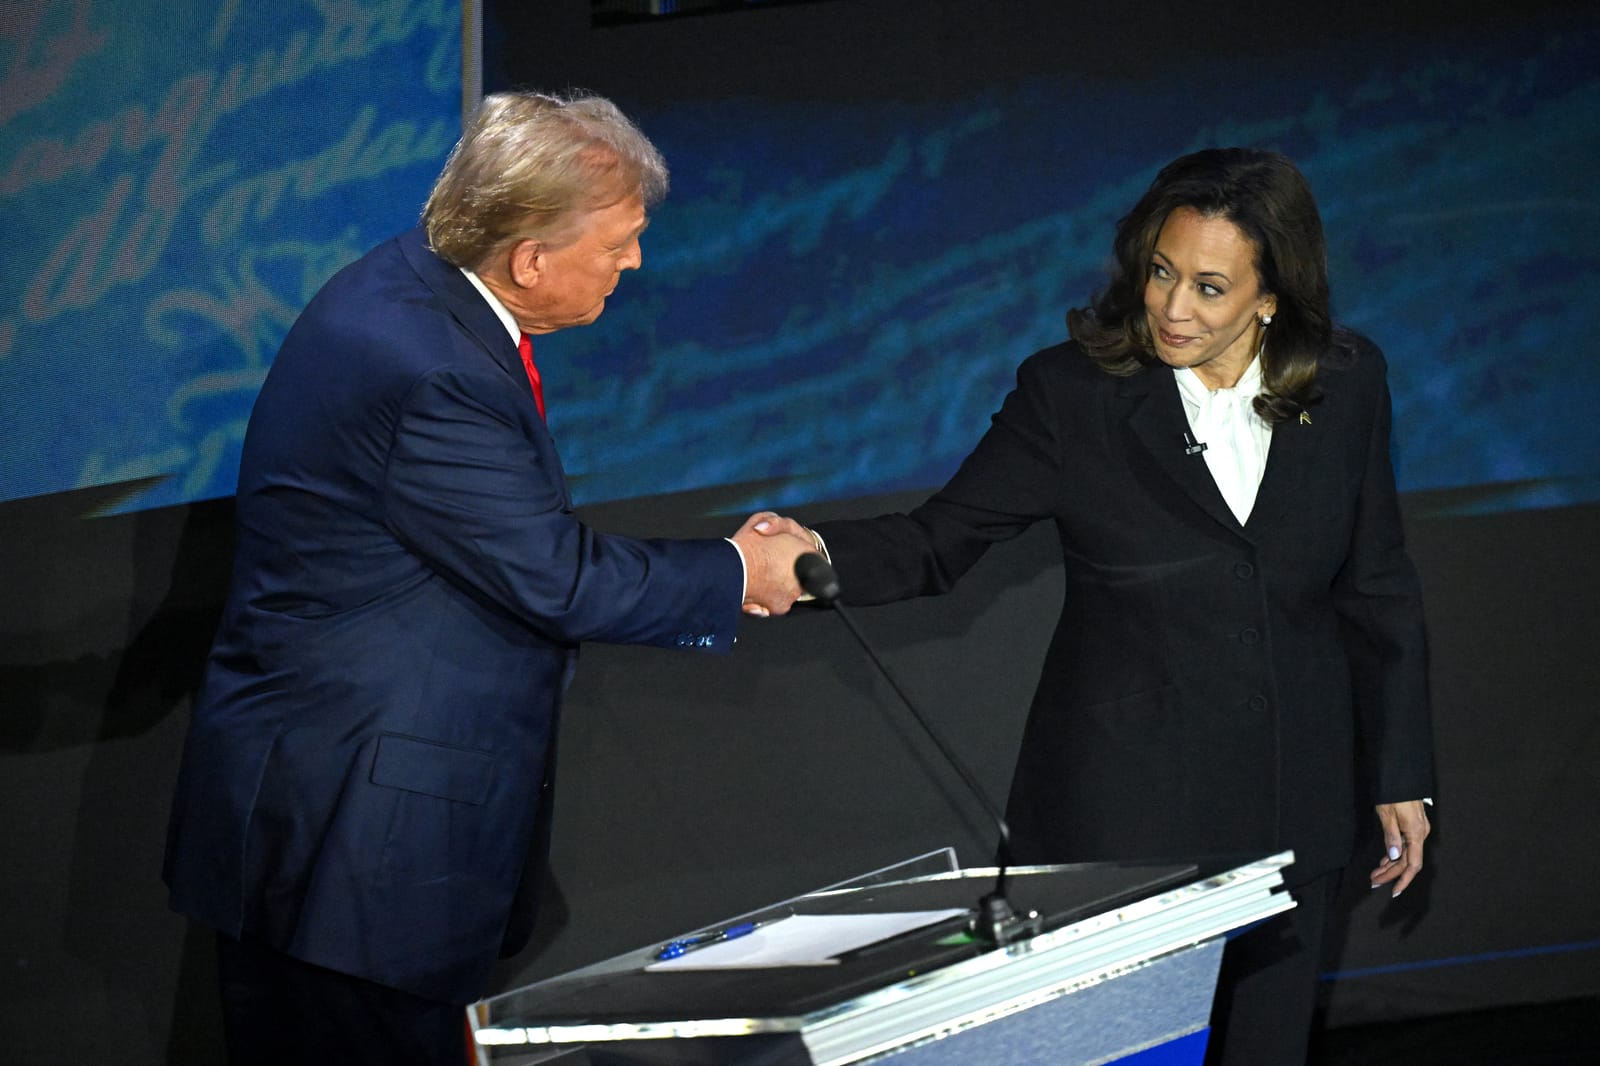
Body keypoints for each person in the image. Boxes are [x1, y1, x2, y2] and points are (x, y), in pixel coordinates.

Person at [162, 90, 813, 1066]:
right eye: (619, 243)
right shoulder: (435, 372)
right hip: (357, 849)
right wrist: (738, 572)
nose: (633, 263)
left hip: (316, 815)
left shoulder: (407, 284)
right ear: (530, 259)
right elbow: (552, 576)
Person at [760, 147, 1434, 1065]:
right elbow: (937, 541)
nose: (1172, 307)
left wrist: (1400, 770)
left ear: (1270, 296)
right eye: (1161, 272)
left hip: (1295, 805)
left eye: (1208, 286)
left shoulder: (1348, 382)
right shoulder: (1072, 394)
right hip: (1123, 823)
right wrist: (804, 561)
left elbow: (1377, 584)